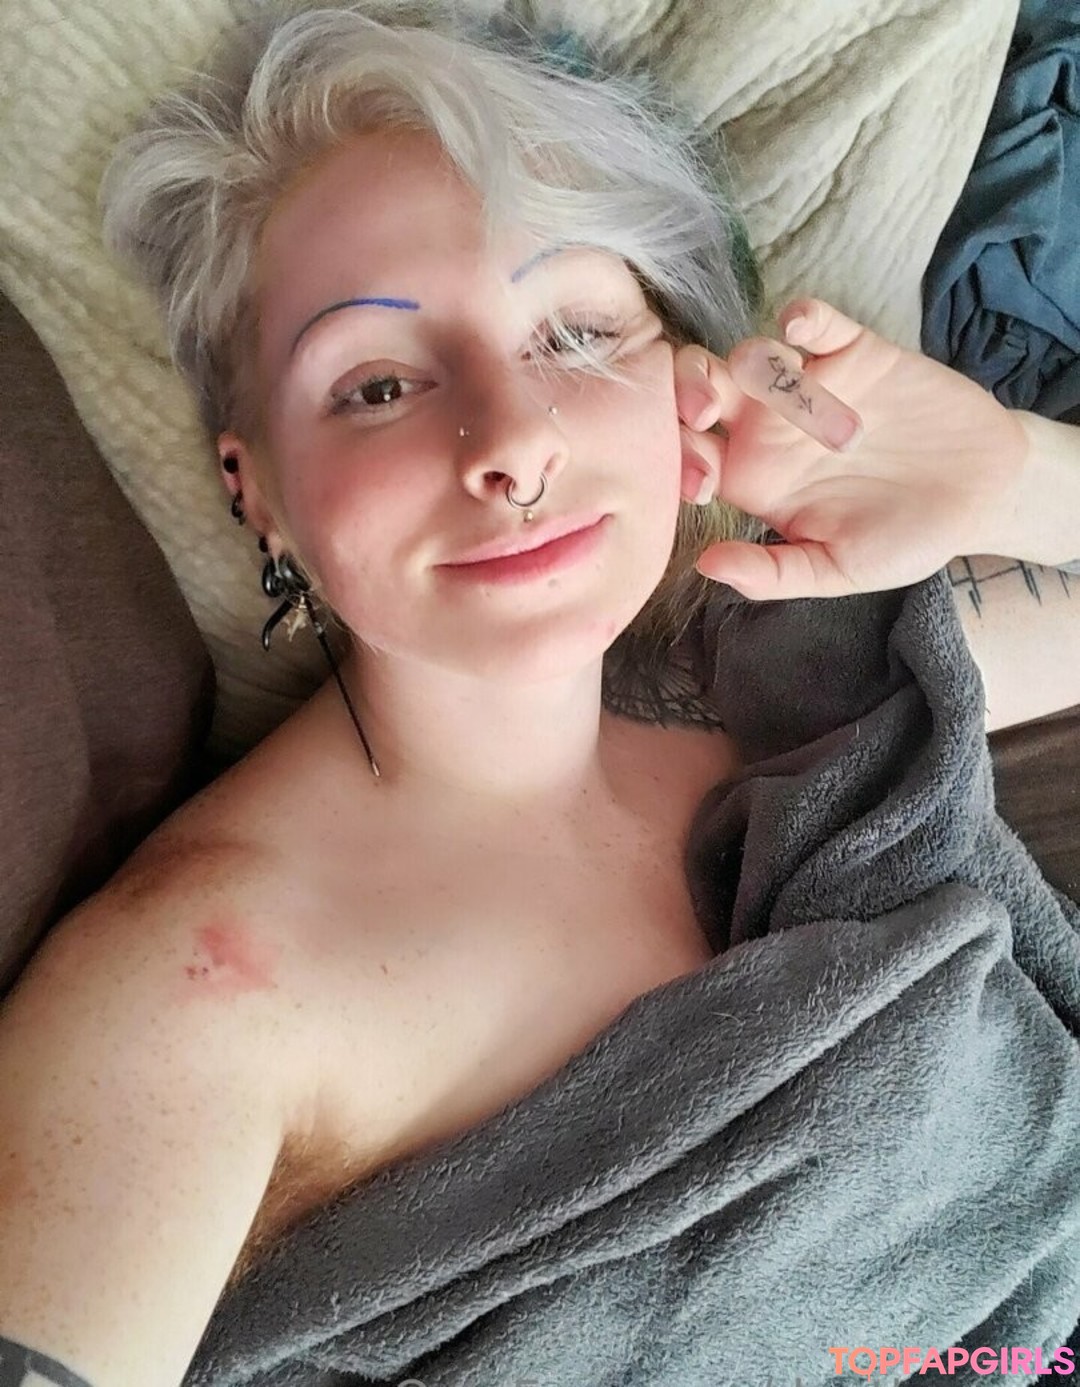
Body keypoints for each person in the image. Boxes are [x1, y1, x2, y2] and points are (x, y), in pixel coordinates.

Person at [0, 6, 1077, 1385]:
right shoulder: (194, 1000)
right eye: (377, 385)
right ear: (254, 489)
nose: (510, 443)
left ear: (681, 392)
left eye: (575, 334)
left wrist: (1014, 476)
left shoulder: (794, 684)